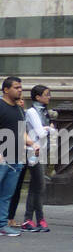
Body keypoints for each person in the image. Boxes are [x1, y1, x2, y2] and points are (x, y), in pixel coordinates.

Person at [13, 84, 51, 231]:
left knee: (36, 186)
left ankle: (30, 219)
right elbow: (41, 133)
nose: (49, 97)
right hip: (33, 152)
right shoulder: (32, 112)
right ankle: (35, 218)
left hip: (41, 151)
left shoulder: (43, 112)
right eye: (46, 94)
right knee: (40, 185)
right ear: (37, 97)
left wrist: (47, 129)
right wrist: (49, 129)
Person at [0, 76, 31, 237]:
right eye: (16, 87)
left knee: (6, 195)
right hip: (2, 159)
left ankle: (2, 224)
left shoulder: (19, 109)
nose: (20, 90)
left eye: (20, 87)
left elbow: (21, 131)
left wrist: (32, 144)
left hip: (16, 158)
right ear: (6, 90)